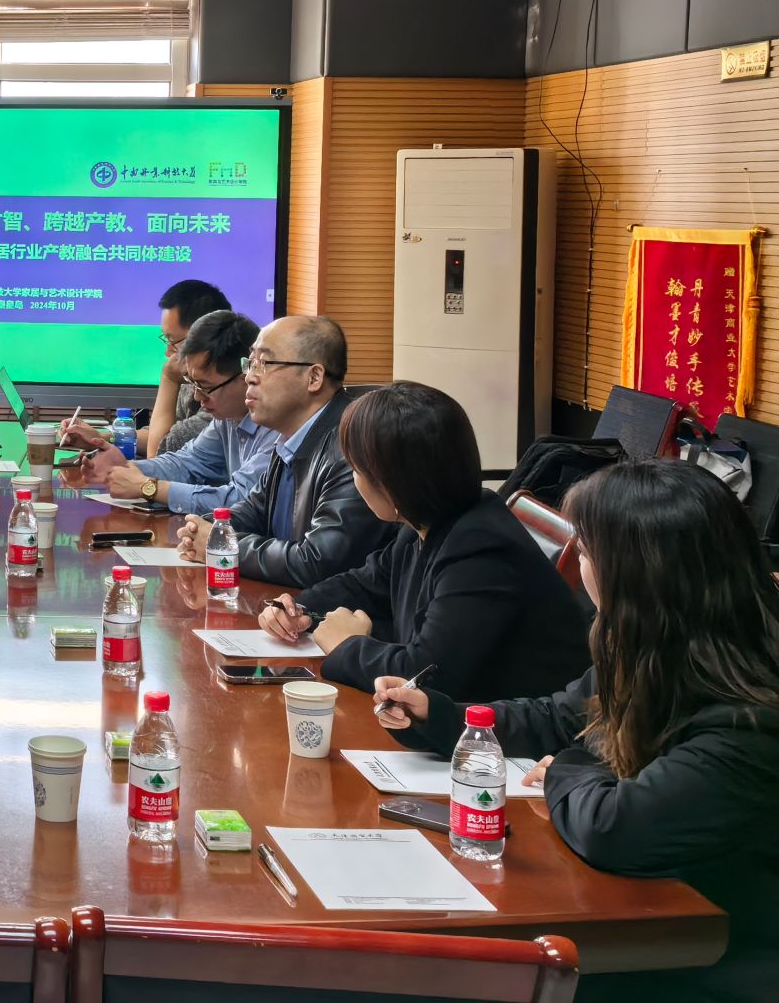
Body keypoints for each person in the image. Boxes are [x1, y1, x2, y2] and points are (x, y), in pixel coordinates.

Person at [375, 460, 779, 1003]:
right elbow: (559, 716)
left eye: (585, 552)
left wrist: (567, 769)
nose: (580, 566)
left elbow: (617, 827)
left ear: (635, 572)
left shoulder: (750, 711)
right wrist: (439, 716)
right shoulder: (652, 641)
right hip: (644, 913)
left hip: (708, 957)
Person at [258, 382, 590, 699]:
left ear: (393, 482)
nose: (354, 481)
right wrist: (296, 609)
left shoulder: (481, 550)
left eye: (356, 469)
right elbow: (365, 583)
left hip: (508, 731)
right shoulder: (425, 521)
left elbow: (425, 675)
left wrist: (347, 646)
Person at [175, 314, 389, 588]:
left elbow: (318, 562)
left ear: (314, 377)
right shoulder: (291, 438)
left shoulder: (351, 446)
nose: (249, 377)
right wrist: (203, 528)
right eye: (250, 363)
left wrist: (224, 543)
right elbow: (252, 512)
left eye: (264, 364)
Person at [65, 310, 274, 514]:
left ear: (246, 376)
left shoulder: (276, 427)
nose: (197, 397)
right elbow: (186, 463)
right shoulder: (227, 419)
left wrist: (149, 487)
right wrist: (126, 468)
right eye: (193, 384)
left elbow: (241, 500)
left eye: (205, 386)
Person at [147, 279, 232, 458]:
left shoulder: (222, 395)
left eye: (173, 341)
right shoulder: (190, 380)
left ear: (202, 337)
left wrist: (168, 379)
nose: (168, 352)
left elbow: (158, 456)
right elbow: (168, 434)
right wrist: (105, 437)